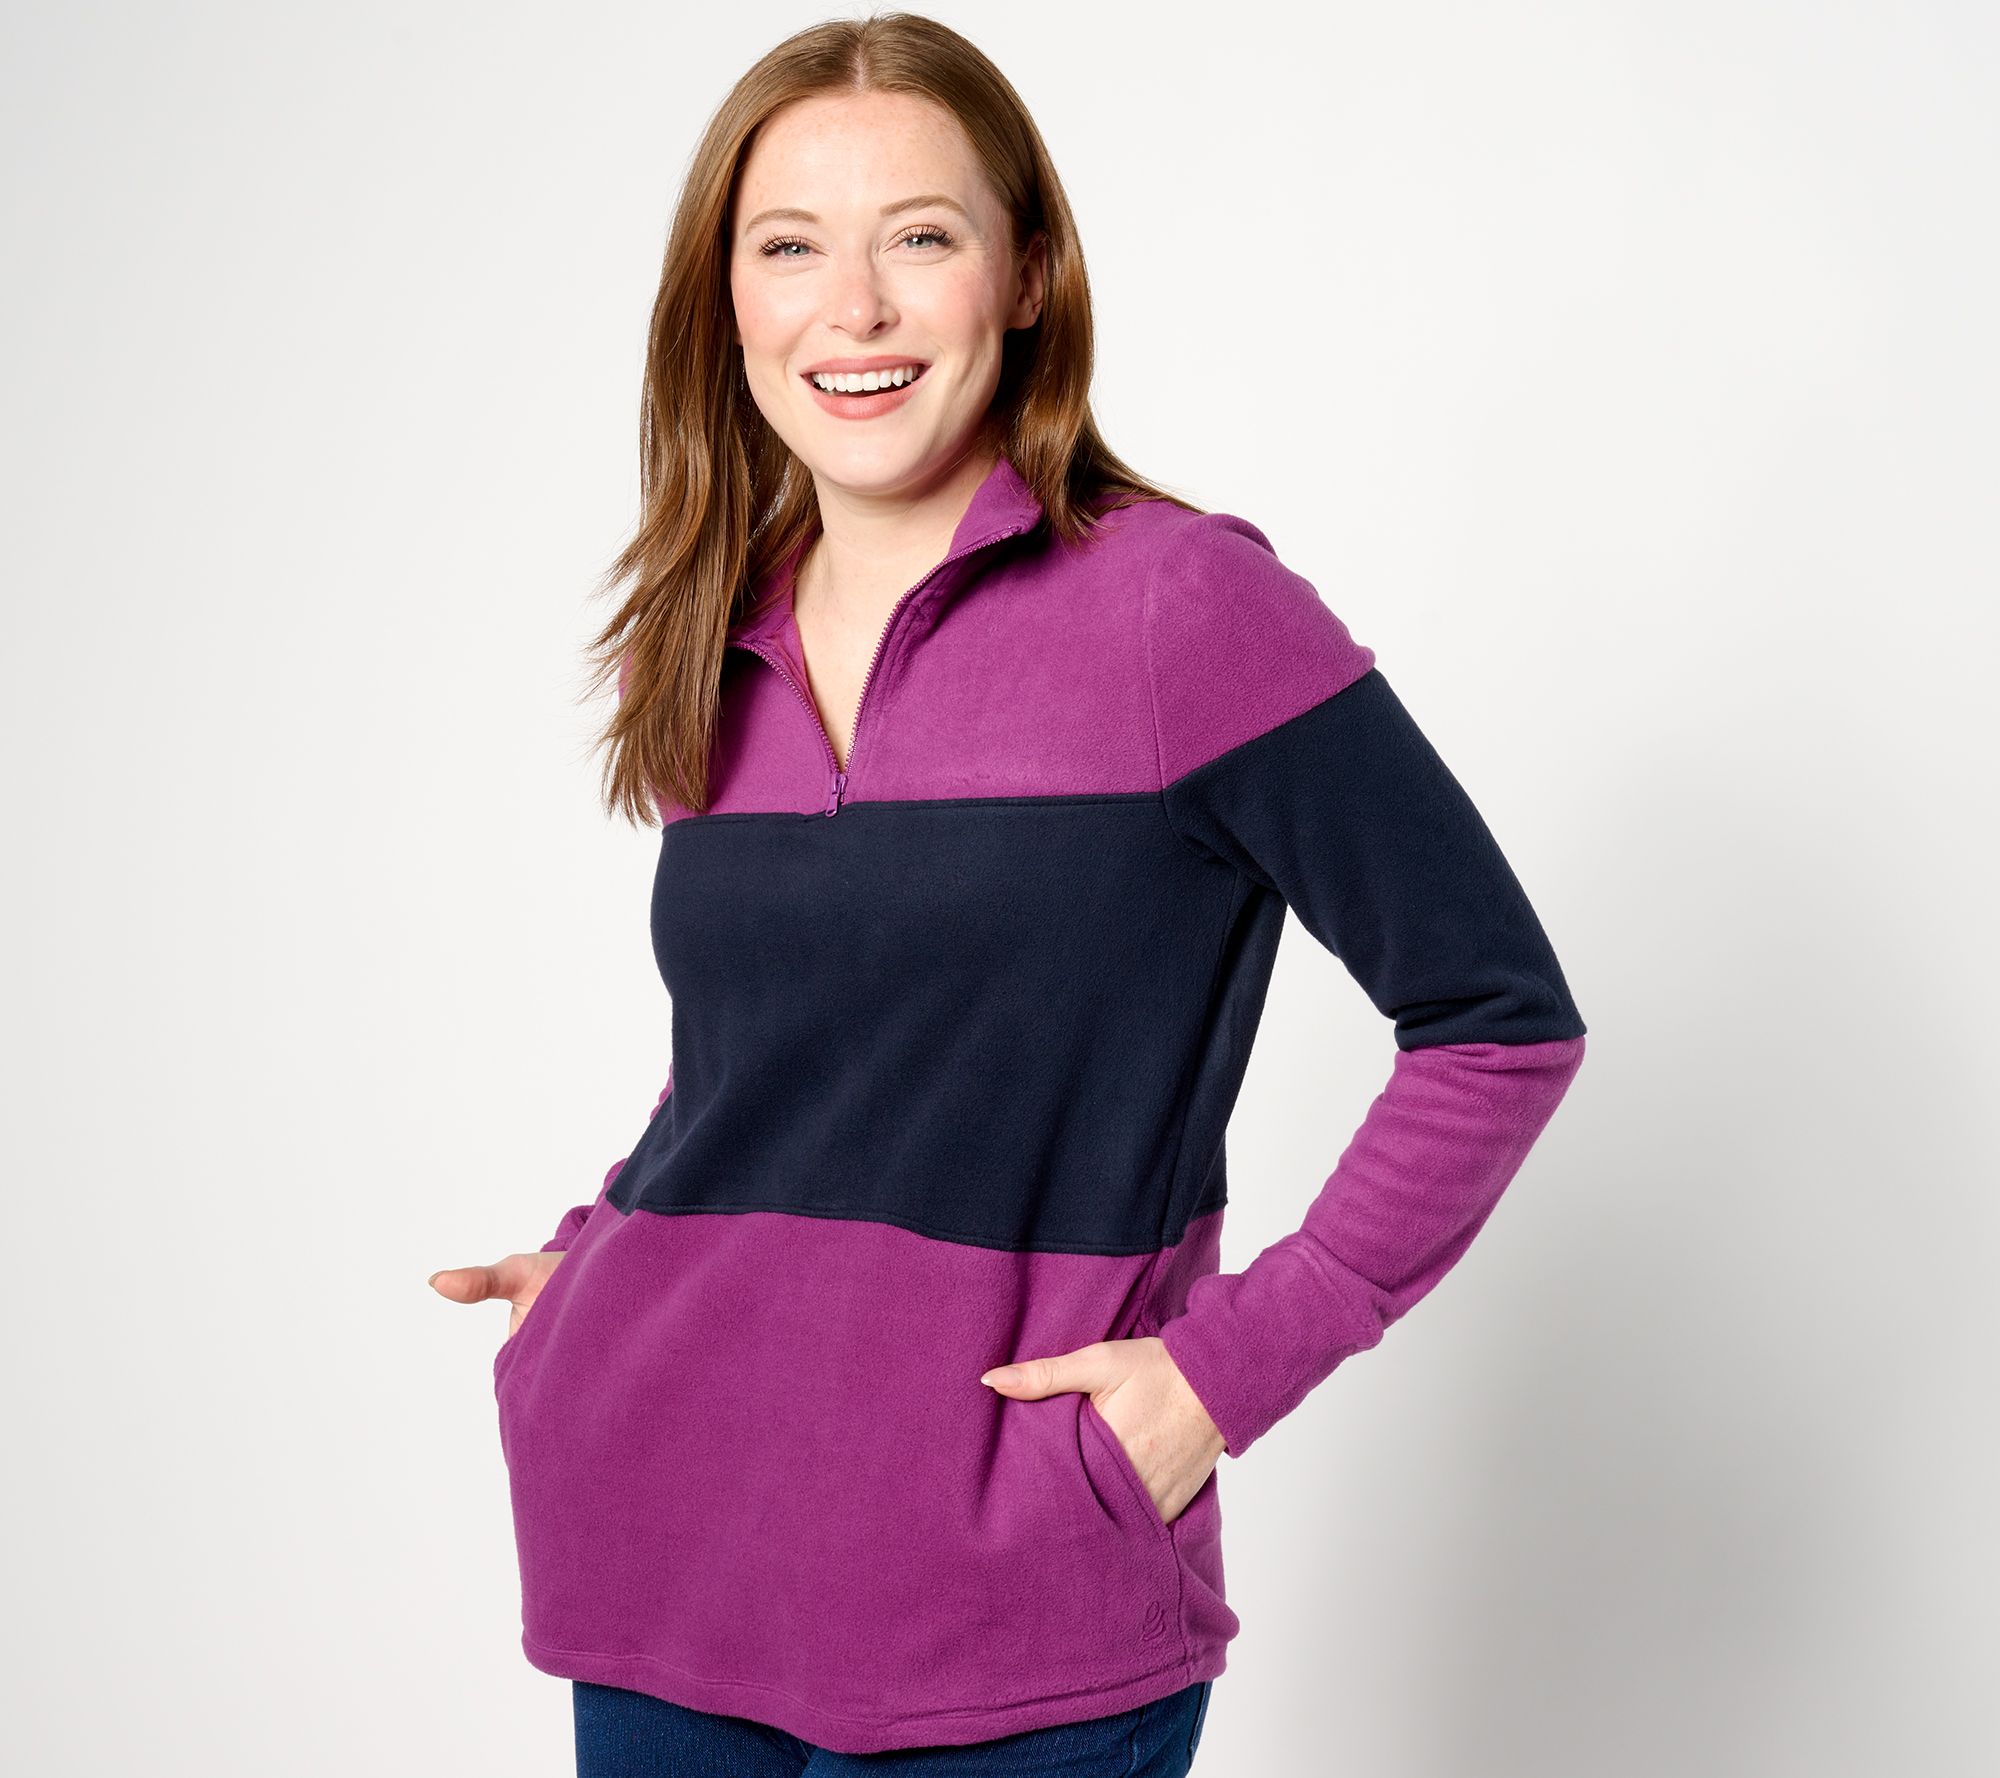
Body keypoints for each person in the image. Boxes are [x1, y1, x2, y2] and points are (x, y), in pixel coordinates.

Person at [428, 13, 1587, 1775]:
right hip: (663, 1562)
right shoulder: (706, 637)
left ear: (1026, 273)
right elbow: (765, 1065)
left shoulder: (1184, 611)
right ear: (725, 304)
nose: (855, 308)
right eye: (789, 248)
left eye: (921, 236)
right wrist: (601, 1262)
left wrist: (1220, 1377)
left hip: (1014, 1610)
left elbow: (1497, 1020)